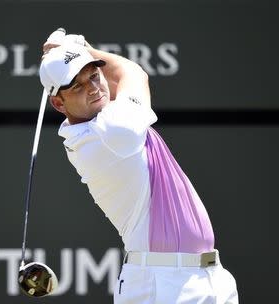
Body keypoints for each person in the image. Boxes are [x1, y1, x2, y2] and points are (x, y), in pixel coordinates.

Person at [39, 30, 238, 304]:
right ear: (58, 103)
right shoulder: (110, 132)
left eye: (94, 76)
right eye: (77, 86)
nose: (93, 88)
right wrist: (84, 47)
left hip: (205, 278)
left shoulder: (98, 124)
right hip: (162, 284)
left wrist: (77, 51)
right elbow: (131, 72)